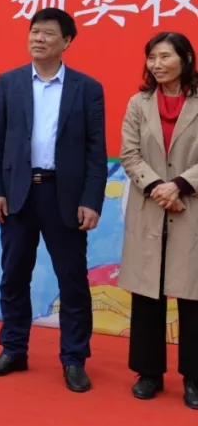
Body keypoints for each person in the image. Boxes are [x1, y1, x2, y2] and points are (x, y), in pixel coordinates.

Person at [0, 7, 107, 393]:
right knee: (14, 275)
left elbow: (95, 150)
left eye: (48, 33)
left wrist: (92, 199)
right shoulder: (9, 82)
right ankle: (13, 349)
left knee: (72, 280)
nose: (38, 38)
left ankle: (74, 358)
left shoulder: (87, 88)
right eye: (34, 31)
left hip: (64, 196)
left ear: (66, 41)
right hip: (18, 194)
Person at [118, 31, 198, 408]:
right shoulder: (139, 103)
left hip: (191, 205)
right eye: (152, 57)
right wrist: (158, 189)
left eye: (165, 56)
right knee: (148, 292)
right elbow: (130, 154)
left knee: (193, 295)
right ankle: (148, 373)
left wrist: (179, 185)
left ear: (186, 58)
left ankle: (194, 377)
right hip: (150, 207)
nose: (157, 64)